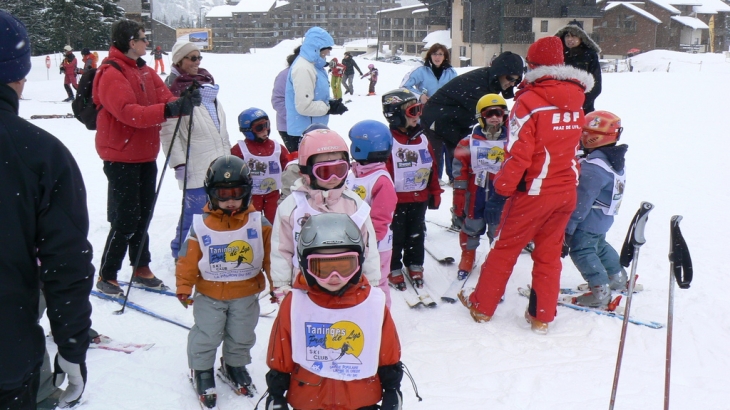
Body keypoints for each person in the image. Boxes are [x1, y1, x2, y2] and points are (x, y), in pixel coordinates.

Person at [457, 36, 594, 334]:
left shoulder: (529, 102)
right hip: (566, 190)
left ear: (532, 66)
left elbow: (518, 153)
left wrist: (502, 189)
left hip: (534, 192)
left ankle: (482, 306)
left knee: (504, 248)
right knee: (548, 254)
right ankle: (542, 315)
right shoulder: (578, 98)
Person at [0, 10, 93, 409]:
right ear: (18, 76)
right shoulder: (40, 152)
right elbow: (65, 261)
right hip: (7, 356)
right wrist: (71, 345)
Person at [94, 19, 201, 296]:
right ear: (131, 42)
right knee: (126, 218)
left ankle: (141, 267)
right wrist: (168, 110)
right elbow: (129, 112)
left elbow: (164, 98)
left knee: (143, 215)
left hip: (144, 154)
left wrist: (182, 101)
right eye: (143, 38)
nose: (147, 43)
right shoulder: (111, 72)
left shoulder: (144, 70)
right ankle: (108, 273)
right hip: (120, 156)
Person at [265, 213, 403, 410]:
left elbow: (386, 348)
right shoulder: (296, 303)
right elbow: (281, 349)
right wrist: (276, 393)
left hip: (360, 398)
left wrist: (392, 388)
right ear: (306, 265)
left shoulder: (372, 303)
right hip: (309, 398)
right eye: (322, 268)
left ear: (359, 264)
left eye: (344, 266)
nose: (334, 277)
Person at [176, 155, 272, 409]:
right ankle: (202, 370)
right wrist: (184, 286)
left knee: (241, 334)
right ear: (211, 194)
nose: (230, 201)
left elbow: (272, 256)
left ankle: (234, 364)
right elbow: (187, 258)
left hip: (246, 293)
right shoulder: (202, 225)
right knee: (207, 334)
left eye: (236, 194)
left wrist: (277, 284)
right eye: (223, 195)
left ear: (247, 192)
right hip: (210, 294)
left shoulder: (258, 223)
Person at [268, 128, 381, 302]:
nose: (334, 178)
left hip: (348, 285)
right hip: (304, 288)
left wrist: (371, 283)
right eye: (325, 172)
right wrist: (282, 285)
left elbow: (369, 248)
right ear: (306, 172)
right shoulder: (292, 207)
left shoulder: (354, 205)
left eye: (340, 170)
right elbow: (281, 249)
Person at [161, 40, 230, 261]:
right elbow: (168, 131)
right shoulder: (173, 89)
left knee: (217, 210)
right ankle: (181, 253)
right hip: (194, 161)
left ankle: (209, 250)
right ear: (179, 61)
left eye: (199, 57)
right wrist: (178, 163)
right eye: (192, 58)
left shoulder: (206, 84)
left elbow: (219, 126)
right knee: (194, 213)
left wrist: (227, 156)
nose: (197, 62)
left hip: (217, 160)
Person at [420, 51, 523, 185]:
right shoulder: (478, 83)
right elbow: (486, 115)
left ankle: (457, 181)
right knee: (433, 164)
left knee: (460, 158)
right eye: (510, 78)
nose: (512, 83)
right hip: (436, 120)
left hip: (455, 123)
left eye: (516, 80)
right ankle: (430, 188)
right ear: (500, 72)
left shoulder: (490, 82)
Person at [563, 110, 627, 308]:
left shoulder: (593, 168)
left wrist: (568, 228)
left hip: (589, 219)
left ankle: (600, 290)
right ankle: (617, 277)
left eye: (584, 132)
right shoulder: (612, 159)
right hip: (603, 217)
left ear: (593, 137)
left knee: (582, 250)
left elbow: (581, 203)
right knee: (598, 245)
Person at [382, 88, 442, 290]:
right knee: (396, 235)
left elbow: (432, 167)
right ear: (397, 115)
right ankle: (393, 266)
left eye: (419, 110)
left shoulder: (423, 139)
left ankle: (415, 263)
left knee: (416, 233)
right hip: (397, 200)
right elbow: (384, 172)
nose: (418, 117)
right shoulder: (388, 141)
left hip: (419, 197)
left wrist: (434, 192)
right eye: (412, 112)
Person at [451, 94, 509, 281]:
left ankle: (495, 261)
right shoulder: (468, 142)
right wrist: (459, 196)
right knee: (471, 226)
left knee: (497, 229)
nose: (494, 117)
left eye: (499, 113)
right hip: (475, 193)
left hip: (499, 194)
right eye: (489, 113)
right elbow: (460, 167)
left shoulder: (512, 141)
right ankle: (467, 256)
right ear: (480, 116)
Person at [347, 120, 397, 307]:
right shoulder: (355, 174)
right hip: (355, 241)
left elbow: (381, 218)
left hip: (376, 245)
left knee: (377, 281)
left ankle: (381, 317)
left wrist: (369, 244)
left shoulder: (380, 180)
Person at [400, 43, 458, 184]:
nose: (437, 57)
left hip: (446, 114)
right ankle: (435, 176)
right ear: (429, 56)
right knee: (433, 146)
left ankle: (453, 177)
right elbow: (404, 86)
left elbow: (457, 90)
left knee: (451, 146)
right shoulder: (421, 70)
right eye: (434, 54)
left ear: (445, 57)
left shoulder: (451, 72)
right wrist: (420, 96)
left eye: (440, 54)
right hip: (427, 114)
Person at [285, 27, 347, 149]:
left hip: (312, 130)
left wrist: (330, 102)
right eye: (326, 49)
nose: (328, 53)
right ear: (316, 48)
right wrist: (329, 107)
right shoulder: (304, 68)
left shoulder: (314, 66)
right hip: (303, 133)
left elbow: (315, 94)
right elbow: (304, 106)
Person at [231, 107, 290, 223]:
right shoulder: (240, 150)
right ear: (248, 130)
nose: (265, 130)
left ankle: (272, 240)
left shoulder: (277, 148)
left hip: (273, 194)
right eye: (259, 127)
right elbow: (234, 173)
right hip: (251, 196)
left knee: (275, 222)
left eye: (267, 125)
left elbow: (288, 168)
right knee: (251, 222)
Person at [556, 20, 602, 113]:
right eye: (567, 36)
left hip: (584, 108)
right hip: (559, 108)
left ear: (581, 37)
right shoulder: (557, 54)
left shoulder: (590, 55)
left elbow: (596, 85)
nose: (570, 39)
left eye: (574, 36)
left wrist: (580, 104)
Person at [271, 46, 301, 153]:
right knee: (298, 159)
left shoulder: (312, 73)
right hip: (289, 127)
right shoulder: (285, 75)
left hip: (310, 126)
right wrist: (295, 118)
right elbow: (277, 101)